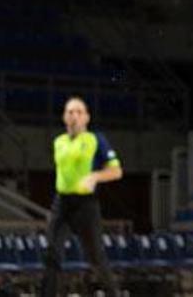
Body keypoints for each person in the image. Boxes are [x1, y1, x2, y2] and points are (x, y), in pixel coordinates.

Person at [41, 97, 121, 297]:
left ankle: (114, 293)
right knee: (52, 252)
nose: (74, 115)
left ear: (86, 117)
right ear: (64, 117)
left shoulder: (96, 139)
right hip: (62, 203)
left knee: (96, 256)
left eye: (78, 112)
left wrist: (95, 176)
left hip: (85, 204)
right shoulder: (58, 142)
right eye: (70, 112)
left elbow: (116, 171)